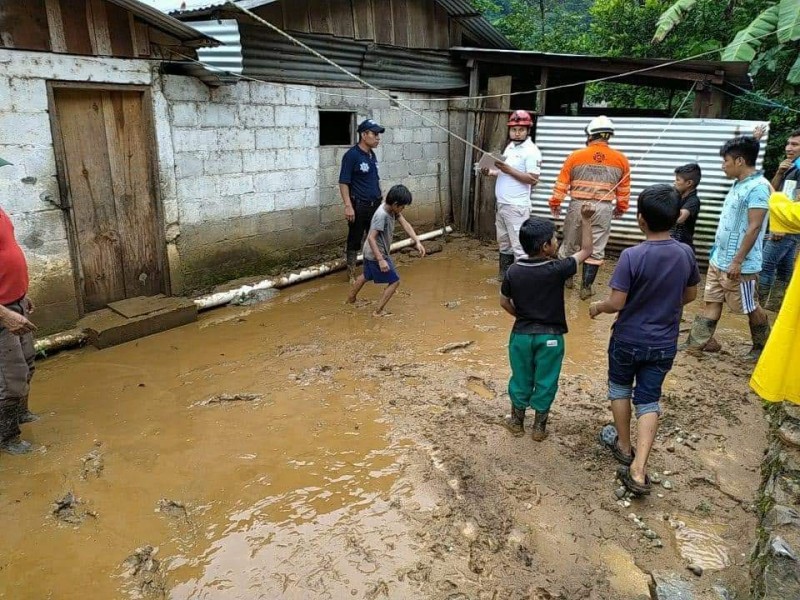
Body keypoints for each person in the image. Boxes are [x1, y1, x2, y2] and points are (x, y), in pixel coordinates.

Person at [590, 184, 700, 495]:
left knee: (620, 388)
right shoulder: (685, 253)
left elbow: (617, 303)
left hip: (627, 338)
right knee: (649, 399)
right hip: (664, 342)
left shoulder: (631, 256)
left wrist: (597, 307)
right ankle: (639, 469)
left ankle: (624, 447)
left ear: (640, 220)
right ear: (676, 218)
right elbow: (690, 295)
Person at [499, 203, 595, 441]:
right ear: (545, 247)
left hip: (521, 336)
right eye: (555, 239)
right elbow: (587, 250)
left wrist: (521, 316)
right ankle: (539, 428)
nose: (557, 243)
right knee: (547, 380)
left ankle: (516, 422)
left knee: (520, 377)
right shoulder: (558, 269)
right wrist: (586, 220)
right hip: (550, 338)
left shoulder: (513, 270)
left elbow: (503, 302)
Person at [683, 136, 771, 361]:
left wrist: (738, 261)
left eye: (726, 160)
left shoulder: (758, 188)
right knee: (711, 300)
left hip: (740, 265)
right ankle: (695, 344)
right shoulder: (740, 182)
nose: (723, 165)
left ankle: (762, 347)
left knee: (750, 306)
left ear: (740, 161)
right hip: (719, 258)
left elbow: (754, 227)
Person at [549, 115, 631, 300]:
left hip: (578, 205)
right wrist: (621, 207)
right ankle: (586, 288)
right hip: (603, 208)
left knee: (569, 244)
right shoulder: (621, 159)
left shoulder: (575, 156)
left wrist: (555, 203)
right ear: (609, 136)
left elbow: (562, 184)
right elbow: (624, 189)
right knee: (596, 247)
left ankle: (566, 281)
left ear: (590, 135)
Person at [0, 156, 39, 455]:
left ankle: (22, 414)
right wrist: (4, 314)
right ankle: (8, 437)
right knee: (10, 381)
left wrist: (21, 295)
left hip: (15, 302)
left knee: (27, 364)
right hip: (2, 312)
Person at [480, 110, 542, 279]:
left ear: (528, 130)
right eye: (514, 129)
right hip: (502, 204)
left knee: (519, 247)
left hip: (516, 206)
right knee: (504, 243)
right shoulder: (510, 147)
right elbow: (504, 173)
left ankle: (522, 281)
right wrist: (490, 172)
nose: (517, 132)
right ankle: (505, 277)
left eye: (521, 129)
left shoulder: (531, 151)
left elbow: (532, 179)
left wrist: (508, 169)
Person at [751, 191, 800, 404]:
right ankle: (771, 303)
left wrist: (775, 196)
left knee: (769, 266)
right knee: (781, 268)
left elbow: (790, 214)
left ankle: (764, 304)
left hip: (786, 228)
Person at [347, 184, 426, 316]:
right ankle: (378, 311)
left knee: (366, 275)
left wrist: (417, 241)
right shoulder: (382, 216)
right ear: (395, 204)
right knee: (395, 281)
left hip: (369, 251)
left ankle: (350, 299)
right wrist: (381, 260)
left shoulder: (392, 210)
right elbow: (371, 238)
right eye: (402, 206)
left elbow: (405, 224)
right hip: (375, 253)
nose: (403, 209)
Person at [758, 129, 800, 311]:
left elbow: (796, 201)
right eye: (788, 143)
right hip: (787, 226)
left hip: (785, 226)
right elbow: (772, 191)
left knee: (765, 265)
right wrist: (779, 172)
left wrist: (780, 225)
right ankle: (775, 306)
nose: (789, 148)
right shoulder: (790, 167)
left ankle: (757, 308)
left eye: (795, 144)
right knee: (783, 267)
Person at [339, 119, 385, 283]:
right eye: (375, 134)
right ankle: (351, 274)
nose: (378, 138)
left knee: (373, 237)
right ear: (364, 135)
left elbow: (375, 179)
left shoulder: (372, 155)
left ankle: (370, 269)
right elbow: (344, 182)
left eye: (378, 135)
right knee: (355, 239)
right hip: (359, 205)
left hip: (375, 204)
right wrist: (348, 206)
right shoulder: (351, 156)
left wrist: (382, 196)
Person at [669, 163, 702, 253]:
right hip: (672, 246)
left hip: (683, 249)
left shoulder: (693, 201)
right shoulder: (677, 195)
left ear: (689, 183)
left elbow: (680, 218)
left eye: (678, 180)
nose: (674, 182)